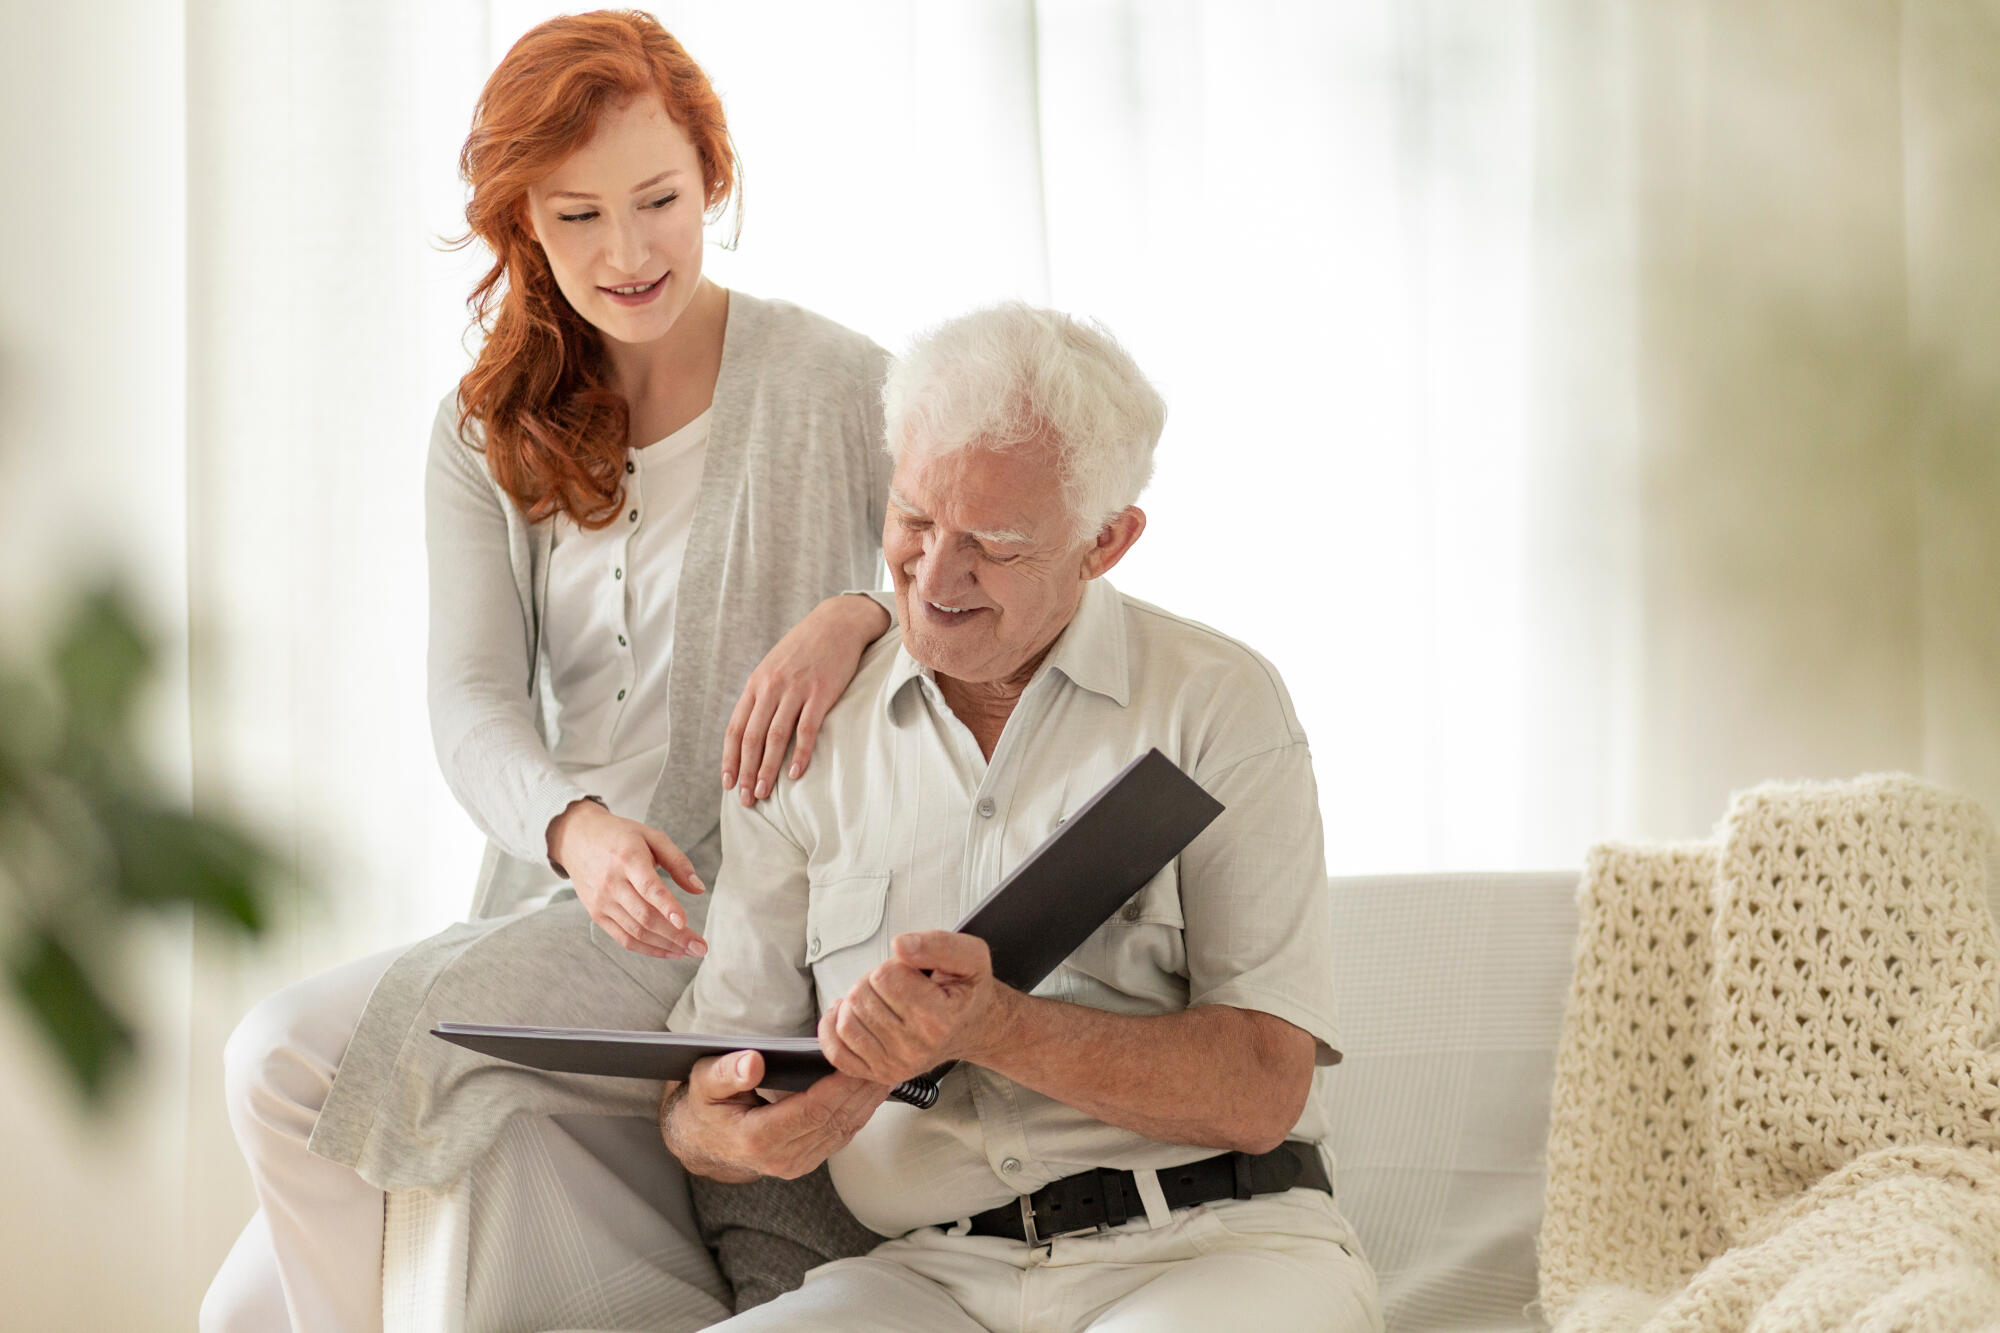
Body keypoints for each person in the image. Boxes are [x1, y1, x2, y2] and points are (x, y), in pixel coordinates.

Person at [202, 13, 894, 1332]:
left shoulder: (838, 382)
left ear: (713, 179)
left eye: (659, 200)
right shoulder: (485, 429)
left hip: (734, 914)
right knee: (236, 1310)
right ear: (522, 217)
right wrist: (575, 830)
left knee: (276, 1061)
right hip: (562, 910)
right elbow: (468, 700)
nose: (627, 252)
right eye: (578, 215)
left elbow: (991, 584)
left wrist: (860, 613)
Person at [659, 303, 1383, 1332]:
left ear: (1105, 541)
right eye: (914, 518)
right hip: (928, 1275)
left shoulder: (1216, 703)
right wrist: (726, 1134)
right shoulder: (804, 729)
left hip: (1213, 1246)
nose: (934, 576)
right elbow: (704, 1087)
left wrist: (996, 1026)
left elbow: (1263, 1087)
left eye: (993, 543)